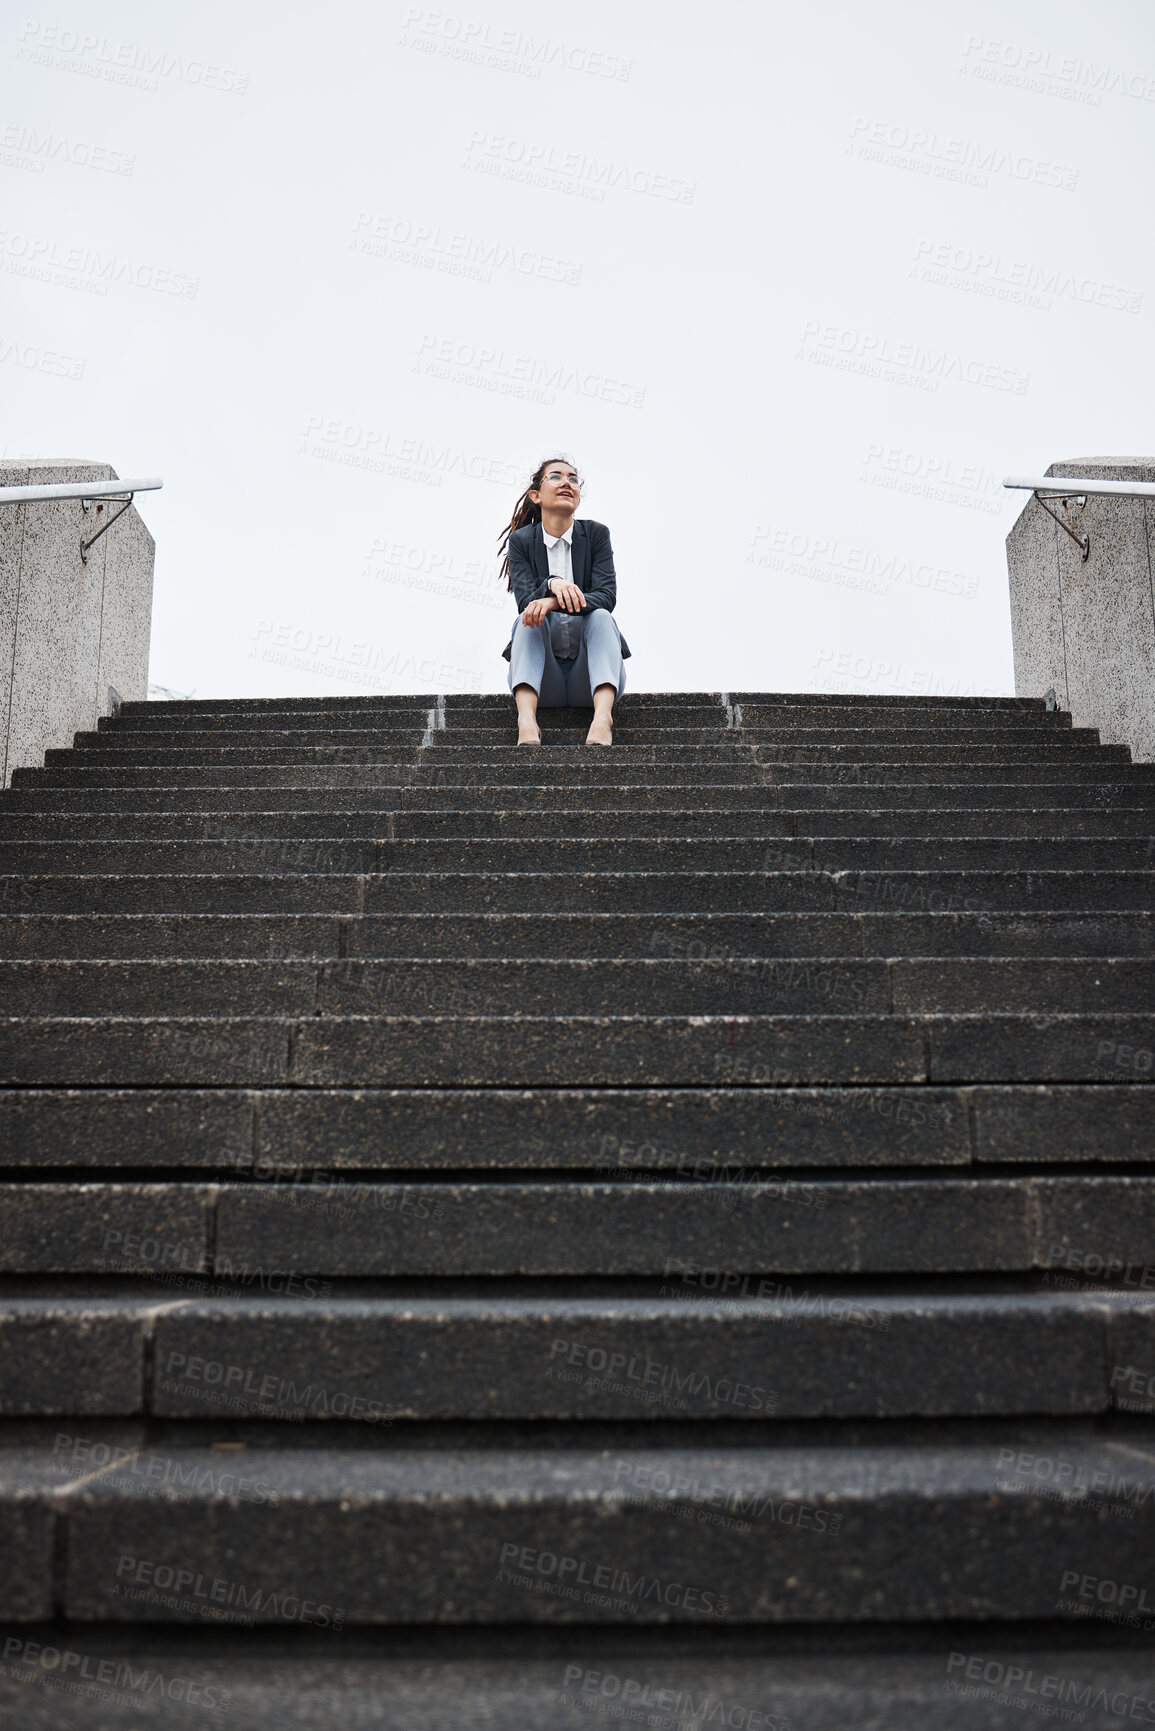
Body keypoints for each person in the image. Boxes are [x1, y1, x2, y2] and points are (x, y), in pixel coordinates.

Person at [498, 457, 630, 746]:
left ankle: (602, 718)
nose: (567, 482)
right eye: (556, 477)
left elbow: (606, 596)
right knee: (527, 621)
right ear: (536, 495)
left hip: (590, 679)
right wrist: (551, 584)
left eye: (573, 479)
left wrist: (553, 602)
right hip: (545, 682)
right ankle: (526, 720)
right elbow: (526, 602)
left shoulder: (595, 534)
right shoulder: (521, 541)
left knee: (602, 618)